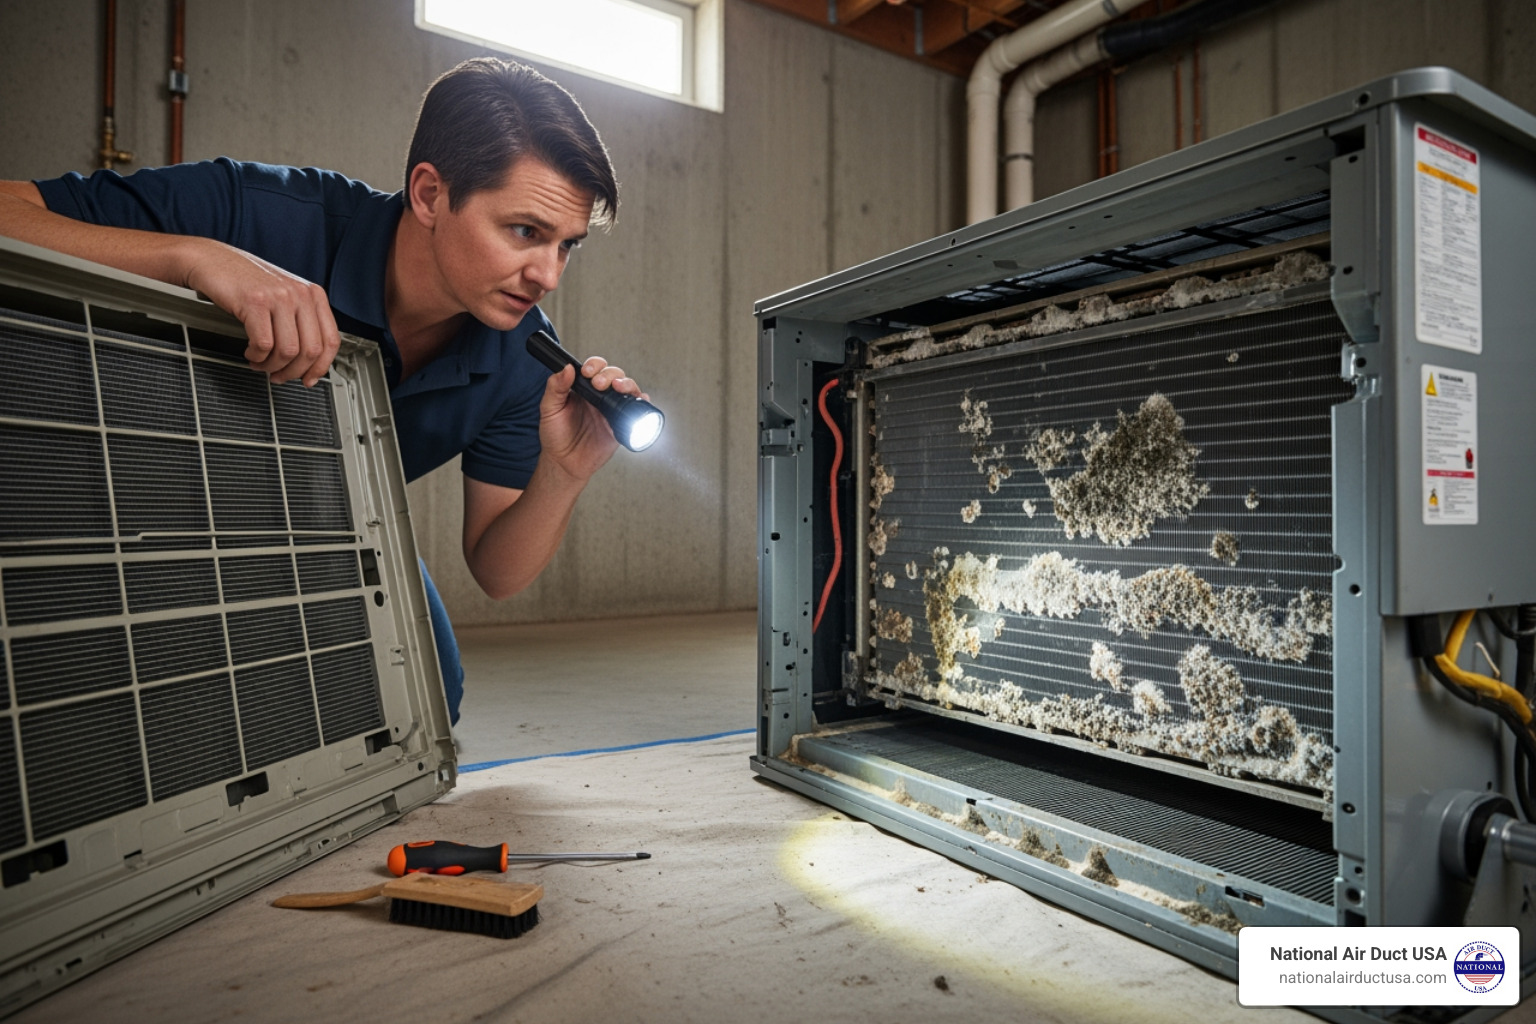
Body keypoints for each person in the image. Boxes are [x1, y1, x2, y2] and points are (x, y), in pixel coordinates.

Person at [0, 58, 643, 726]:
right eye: (524, 232)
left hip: (329, 524)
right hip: (150, 492)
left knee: (431, 700)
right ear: (428, 194)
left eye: (567, 245)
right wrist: (195, 258)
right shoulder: (255, 212)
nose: (547, 274)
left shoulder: (524, 357)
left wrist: (565, 474)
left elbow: (498, 574)